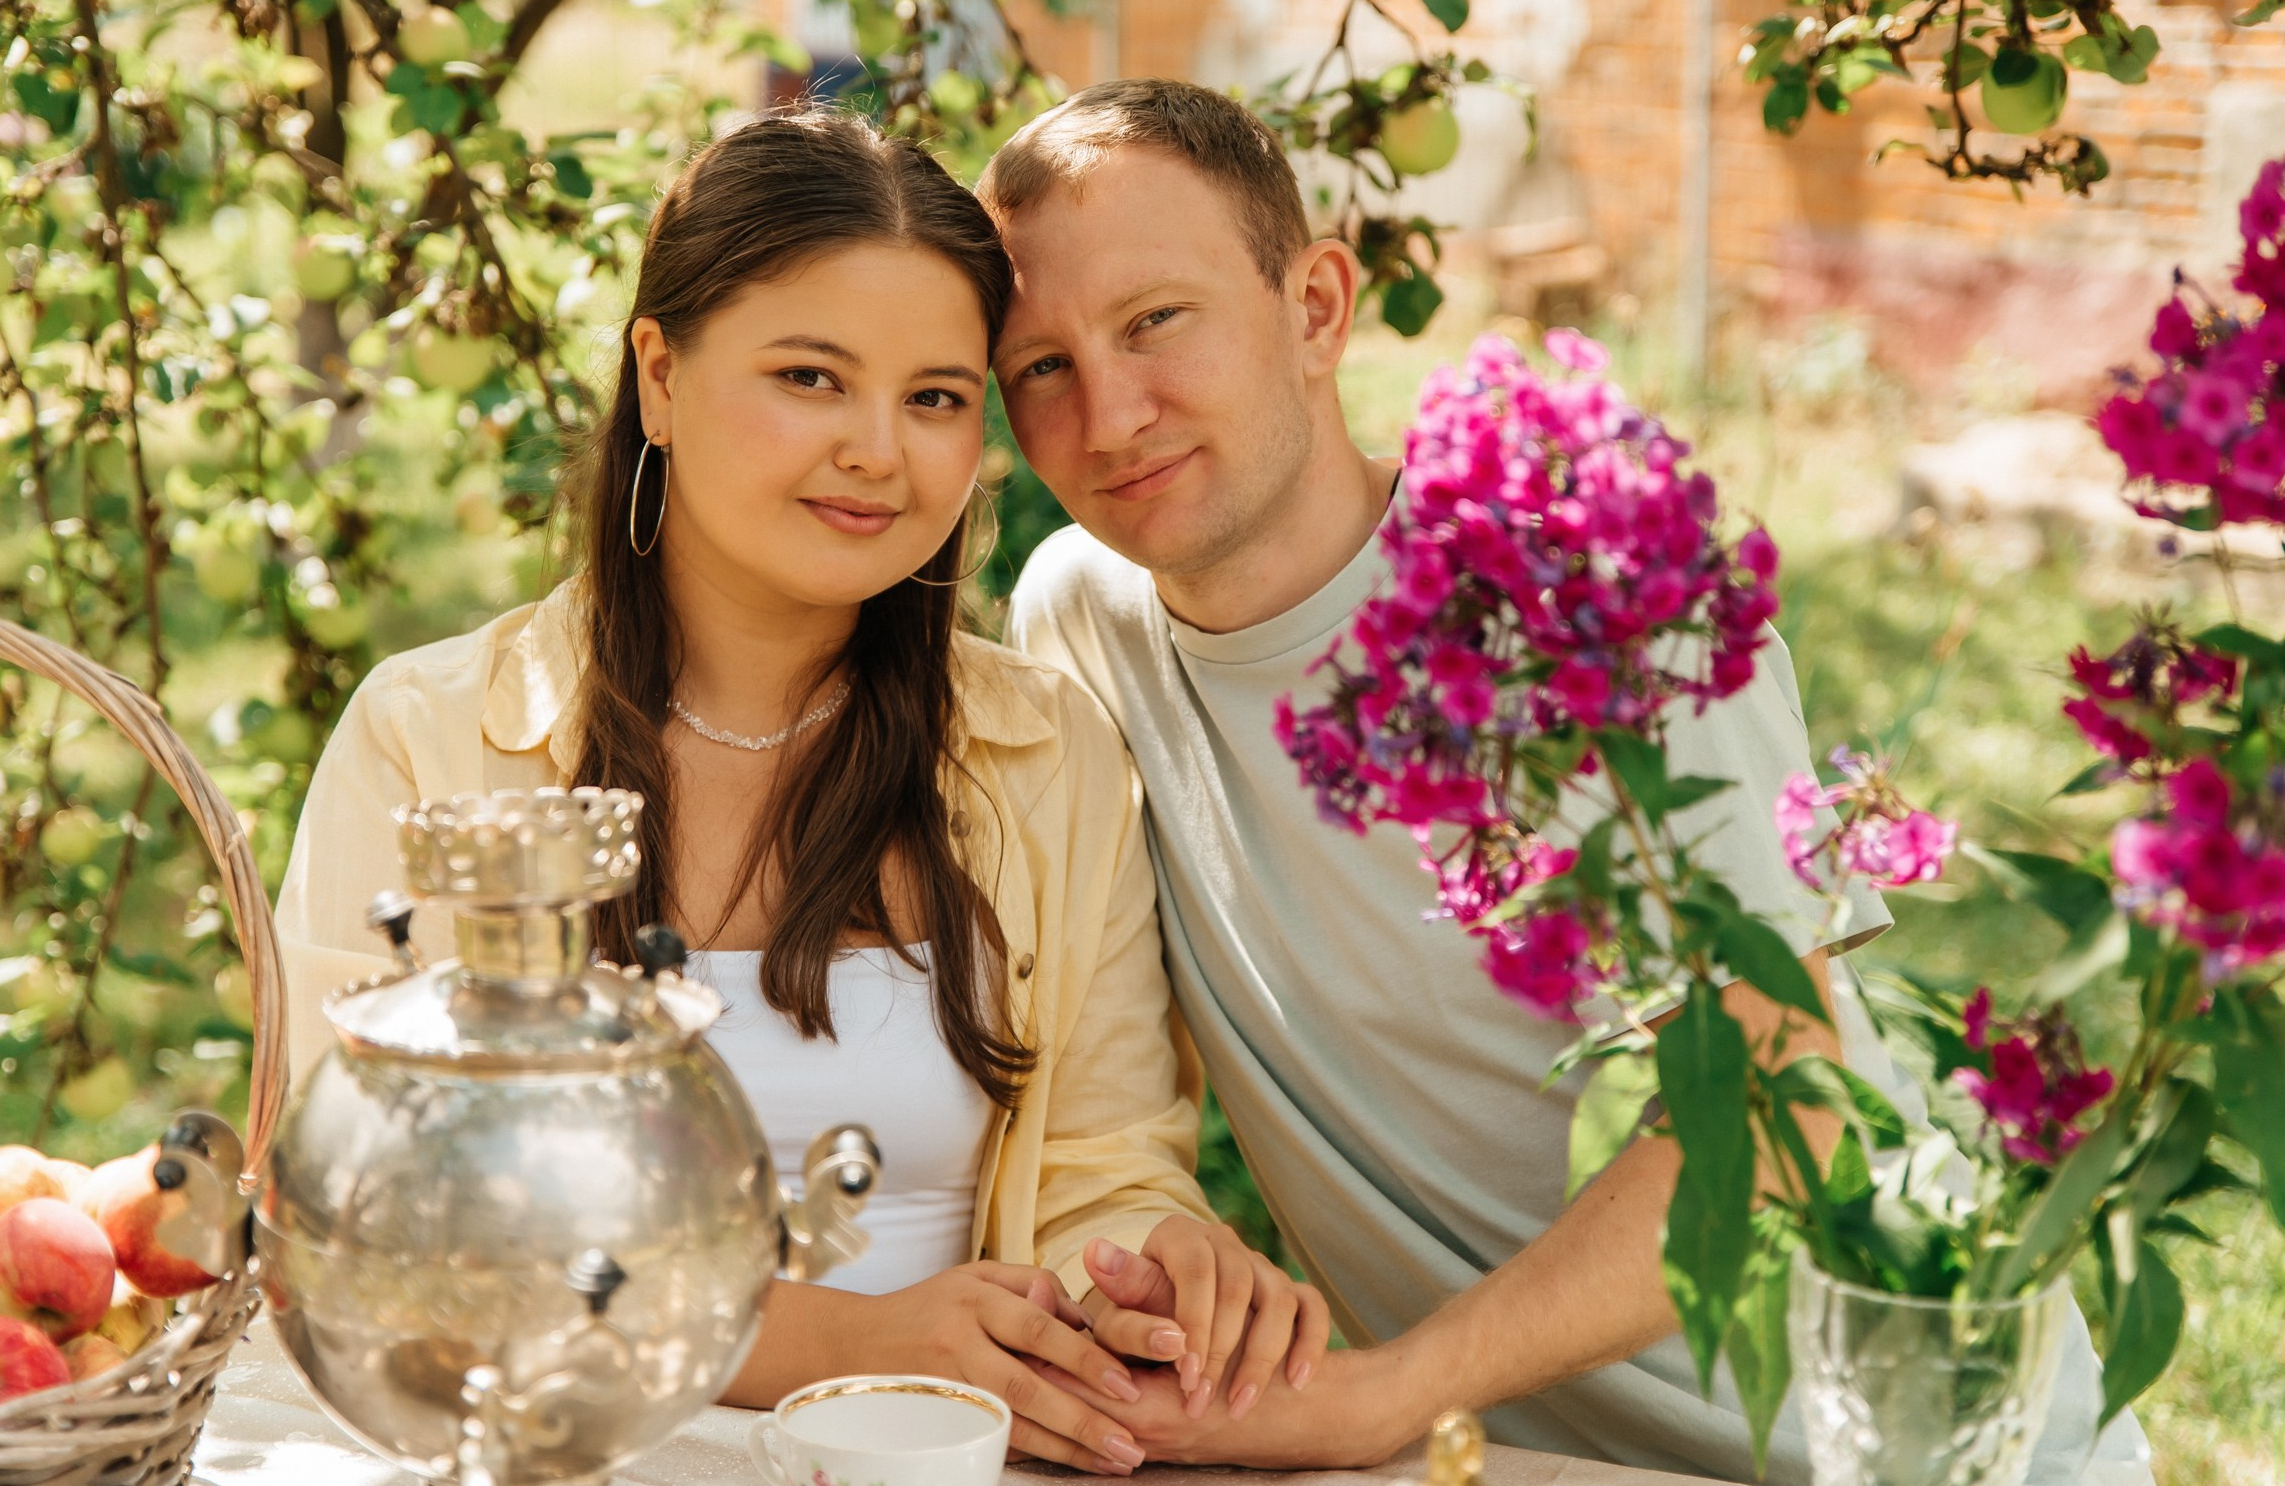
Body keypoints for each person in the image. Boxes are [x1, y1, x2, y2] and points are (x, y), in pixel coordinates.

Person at [984, 78, 2152, 1483]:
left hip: (1896, 1433)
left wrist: (1382, 1394)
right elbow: (1101, 1078)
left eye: (1154, 321)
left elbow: (1787, 1120)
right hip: (1500, 1455)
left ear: (1315, 307)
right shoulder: (1079, 619)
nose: (1109, 415)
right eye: (1039, 366)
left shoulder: (1590, 610)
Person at [269, 110, 1326, 1477]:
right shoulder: (430, 744)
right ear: (658, 372)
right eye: (812, 377)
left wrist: (1151, 1267)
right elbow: (363, 1224)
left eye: (937, 396)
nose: (879, 451)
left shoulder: (1043, 751)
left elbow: (1103, 1168)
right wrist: (837, 1335)